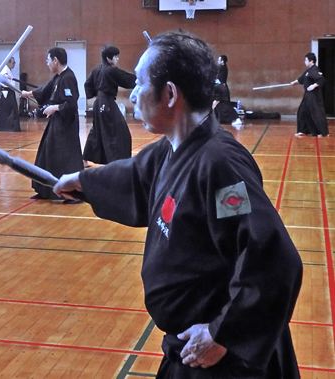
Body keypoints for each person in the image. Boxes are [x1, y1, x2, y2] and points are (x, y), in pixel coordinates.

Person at [53, 31, 302, 378]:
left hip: (222, 361)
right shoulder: (172, 148)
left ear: (170, 94)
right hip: (188, 351)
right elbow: (134, 178)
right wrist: (84, 181)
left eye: (140, 83)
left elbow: (273, 258)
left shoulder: (219, 164)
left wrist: (221, 334)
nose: (134, 94)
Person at [22, 47, 84, 203]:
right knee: (46, 155)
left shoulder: (68, 78)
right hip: (57, 124)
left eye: (48, 60)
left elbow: (71, 105)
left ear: (55, 60)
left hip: (66, 125)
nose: (47, 63)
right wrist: (28, 94)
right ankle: (45, 190)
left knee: (66, 159)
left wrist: (54, 107)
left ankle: (74, 193)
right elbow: (45, 89)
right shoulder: (58, 77)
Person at [82, 44, 136, 165]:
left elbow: (87, 84)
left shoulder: (97, 70)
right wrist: (142, 78)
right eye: (115, 56)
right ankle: (116, 161)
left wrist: (96, 95)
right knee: (119, 132)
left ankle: (84, 158)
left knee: (97, 130)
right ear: (108, 58)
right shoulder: (111, 70)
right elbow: (127, 78)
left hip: (98, 103)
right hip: (106, 104)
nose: (117, 59)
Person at [292, 52, 329, 137]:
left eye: (306, 60)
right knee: (302, 112)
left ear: (311, 61)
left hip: (314, 96)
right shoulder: (308, 71)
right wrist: (294, 82)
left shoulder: (315, 70)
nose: (304, 62)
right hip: (307, 95)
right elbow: (301, 79)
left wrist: (313, 86)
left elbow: (321, 80)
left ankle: (323, 132)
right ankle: (303, 130)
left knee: (316, 113)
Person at [212, 55, 241, 128]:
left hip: (221, 89)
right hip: (221, 88)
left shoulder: (223, 67)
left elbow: (219, 79)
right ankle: (219, 119)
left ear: (222, 61)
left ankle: (235, 118)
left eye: (219, 60)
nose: (218, 61)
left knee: (225, 105)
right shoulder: (222, 68)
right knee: (220, 106)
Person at [0, 57, 21, 132]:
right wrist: (6, 77)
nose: (14, 64)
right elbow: (2, 77)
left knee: (11, 109)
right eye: (13, 63)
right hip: (6, 92)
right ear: (8, 62)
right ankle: (7, 127)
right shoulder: (4, 70)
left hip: (10, 91)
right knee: (9, 109)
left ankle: (10, 126)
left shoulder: (8, 70)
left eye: (15, 63)